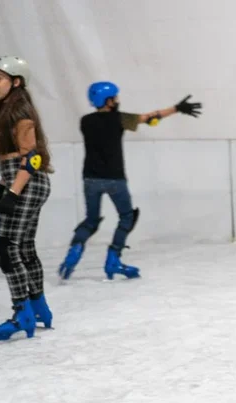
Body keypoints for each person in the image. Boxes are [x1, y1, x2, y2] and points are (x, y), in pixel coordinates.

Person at [58, 82, 202, 280]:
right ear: (107, 100)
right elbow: (150, 117)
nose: (117, 100)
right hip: (115, 179)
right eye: (114, 98)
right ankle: (113, 259)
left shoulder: (85, 121)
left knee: (91, 220)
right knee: (126, 217)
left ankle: (75, 249)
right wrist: (177, 108)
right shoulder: (119, 119)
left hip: (90, 179)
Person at [0, 56, 53, 340]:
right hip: (22, 180)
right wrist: (2, 186)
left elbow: (32, 158)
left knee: (5, 247)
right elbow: (11, 159)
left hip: (27, 181)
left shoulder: (20, 112)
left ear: (16, 82)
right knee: (23, 247)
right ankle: (39, 308)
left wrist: (13, 192)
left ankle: (22, 314)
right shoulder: (8, 111)